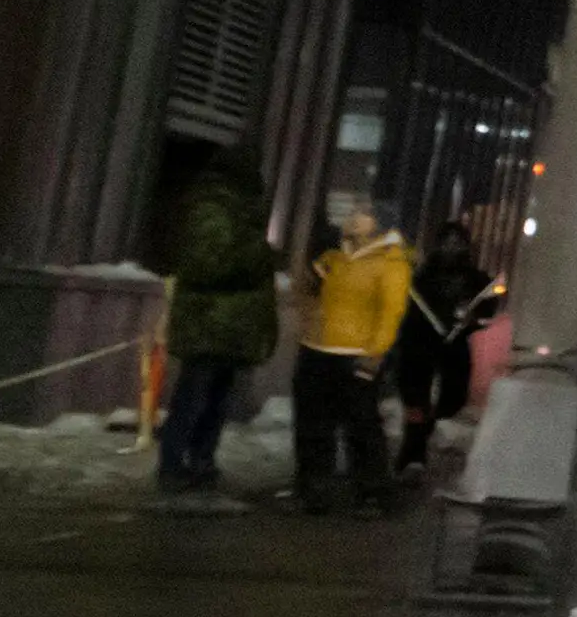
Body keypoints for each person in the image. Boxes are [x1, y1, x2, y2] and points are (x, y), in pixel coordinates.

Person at [155, 149, 280, 494]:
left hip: (227, 328)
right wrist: (257, 256)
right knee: (193, 397)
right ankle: (172, 464)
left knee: (216, 400)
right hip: (208, 324)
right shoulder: (211, 209)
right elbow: (206, 265)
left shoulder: (236, 211)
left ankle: (201, 460)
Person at [295, 204, 411, 515]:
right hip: (317, 349)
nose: (352, 219)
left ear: (379, 224)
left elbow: (391, 313)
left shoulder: (391, 262)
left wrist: (376, 353)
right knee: (313, 424)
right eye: (353, 213)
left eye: (362, 214)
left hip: (356, 354)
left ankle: (373, 492)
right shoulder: (335, 256)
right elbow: (306, 290)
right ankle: (313, 488)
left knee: (361, 425)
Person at [390, 218, 489, 475]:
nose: (451, 248)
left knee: (453, 399)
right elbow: (407, 309)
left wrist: (473, 320)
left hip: (454, 345)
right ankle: (412, 454)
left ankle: (423, 431)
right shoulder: (422, 276)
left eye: (457, 243)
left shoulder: (475, 279)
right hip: (419, 343)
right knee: (415, 400)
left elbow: (487, 311)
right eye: (447, 242)